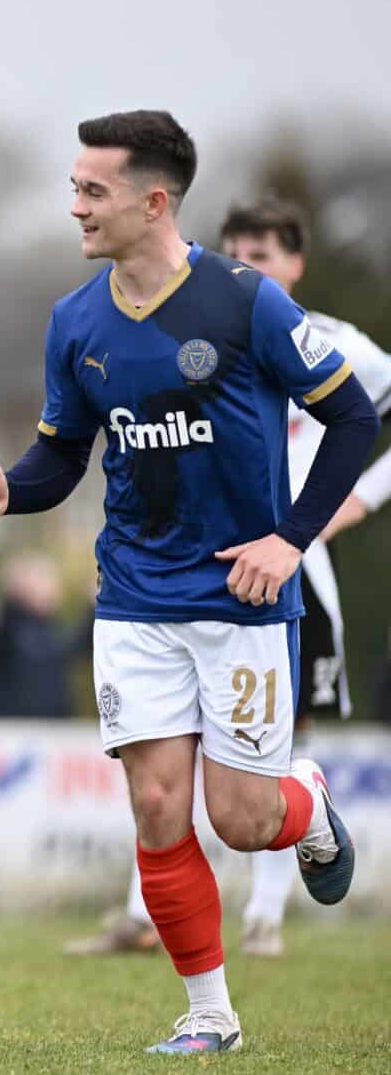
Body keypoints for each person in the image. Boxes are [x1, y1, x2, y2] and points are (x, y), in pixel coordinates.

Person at [0, 111, 375, 1055]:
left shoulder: (245, 302)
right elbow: (62, 455)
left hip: (243, 598)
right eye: (72, 188)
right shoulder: (76, 320)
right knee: (154, 807)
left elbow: (353, 419)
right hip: (136, 598)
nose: (75, 207)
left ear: (155, 201)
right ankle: (210, 1017)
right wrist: (6, 490)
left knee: (242, 817)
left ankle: (302, 803)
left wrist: (291, 539)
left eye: (91, 190)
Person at [68, 198, 391, 961]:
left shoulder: (337, 345)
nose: (252, 262)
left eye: (268, 252)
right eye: (239, 247)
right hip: (172, 576)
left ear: (296, 264)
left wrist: (350, 505)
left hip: (287, 567)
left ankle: (264, 921)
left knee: (260, 775)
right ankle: (151, 920)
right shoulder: (187, 324)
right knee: (160, 773)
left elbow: (355, 420)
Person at [0, 553, 82, 719]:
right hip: (13, 732)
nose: (52, 590)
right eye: (44, 582)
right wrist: (11, 589)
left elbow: (76, 646)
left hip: (54, 731)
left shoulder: (52, 629)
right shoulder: (9, 627)